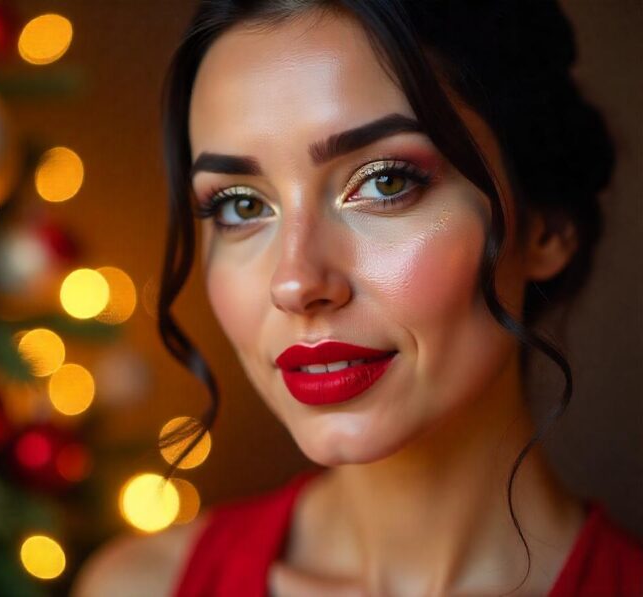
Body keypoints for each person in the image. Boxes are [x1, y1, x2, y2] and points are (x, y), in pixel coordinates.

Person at [73, 1, 643, 595]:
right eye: (242, 205)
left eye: (385, 181)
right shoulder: (139, 585)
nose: (294, 282)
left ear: (546, 224)